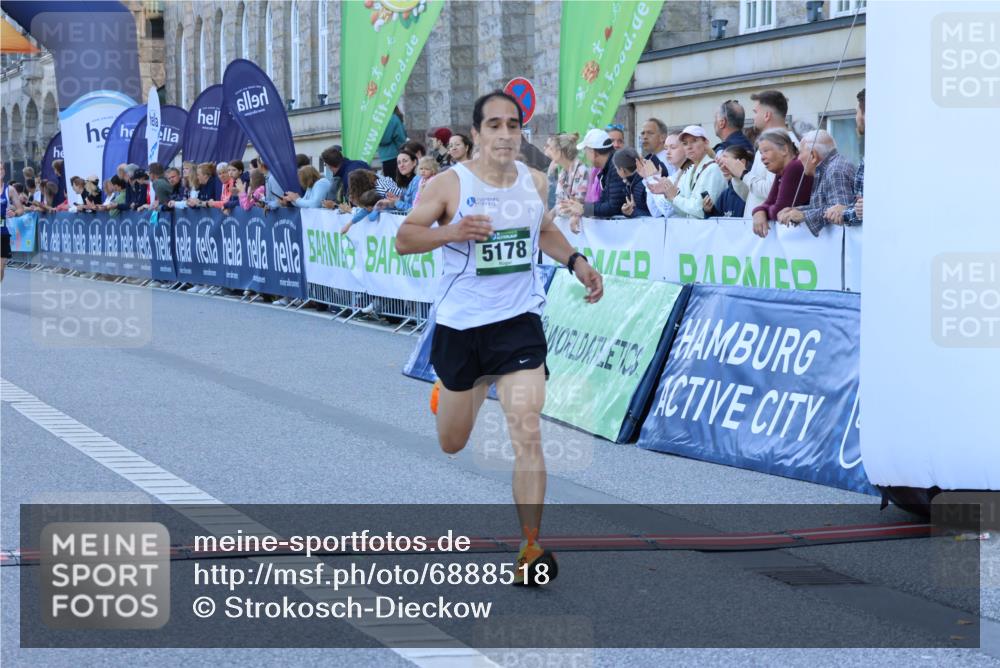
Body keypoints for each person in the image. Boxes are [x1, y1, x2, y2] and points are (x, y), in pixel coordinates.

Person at [395, 90, 603, 587]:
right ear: (477, 133)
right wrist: (452, 232)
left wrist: (576, 262)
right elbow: (405, 238)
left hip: (517, 323)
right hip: (462, 327)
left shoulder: (535, 181)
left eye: (513, 124)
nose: (506, 133)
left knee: (527, 430)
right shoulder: (450, 184)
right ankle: (449, 391)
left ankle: (530, 547)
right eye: (494, 125)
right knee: (452, 443)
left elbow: (542, 229)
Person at [721, 89, 798, 216]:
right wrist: (737, 176)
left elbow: (772, 191)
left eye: (756, 112)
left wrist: (743, 173)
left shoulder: (786, 145)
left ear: (767, 115)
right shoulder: (766, 144)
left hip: (771, 225)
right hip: (756, 224)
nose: (754, 117)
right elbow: (750, 195)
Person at [776, 130, 856, 236]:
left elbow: (838, 214)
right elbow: (824, 206)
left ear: (813, 155)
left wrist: (803, 215)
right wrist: (795, 211)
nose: (798, 158)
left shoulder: (835, 170)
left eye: (800, 152)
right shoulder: (830, 167)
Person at [646, 125, 725, 219]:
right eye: (685, 143)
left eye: (694, 141)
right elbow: (682, 212)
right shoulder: (689, 171)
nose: (689, 147)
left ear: (706, 143)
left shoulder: (713, 169)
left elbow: (700, 210)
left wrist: (674, 197)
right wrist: (668, 194)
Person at [751, 129, 813, 238]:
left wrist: (761, 211)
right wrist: (758, 211)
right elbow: (769, 202)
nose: (762, 157)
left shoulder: (794, 167)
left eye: (766, 151)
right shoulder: (782, 171)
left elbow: (779, 211)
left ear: (784, 150)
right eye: (761, 153)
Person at [558, 129, 626, 220]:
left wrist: (583, 208)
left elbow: (614, 207)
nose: (586, 156)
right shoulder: (608, 167)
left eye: (586, 151)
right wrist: (581, 206)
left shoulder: (615, 167)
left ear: (594, 153)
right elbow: (604, 203)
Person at [826, 88, 865, 227]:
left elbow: (862, 212)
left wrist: (844, 213)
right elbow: (860, 207)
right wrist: (847, 209)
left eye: (856, 112)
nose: (856, 118)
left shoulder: (836, 168)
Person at [544, 133, 589, 233]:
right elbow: (559, 204)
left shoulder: (581, 171)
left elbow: (577, 205)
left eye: (551, 148)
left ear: (560, 152)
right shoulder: (563, 173)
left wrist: (558, 210)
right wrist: (548, 218)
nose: (548, 152)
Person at [639, 133, 692, 219]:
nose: (668, 152)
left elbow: (669, 210)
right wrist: (651, 178)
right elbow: (656, 212)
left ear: (686, 148)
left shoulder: (690, 173)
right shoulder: (673, 177)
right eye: (666, 148)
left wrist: (652, 178)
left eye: (673, 147)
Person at [703, 145, 753, 218]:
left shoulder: (752, 189)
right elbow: (717, 221)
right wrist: (709, 211)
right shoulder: (725, 194)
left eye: (726, 163)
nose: (722, 168)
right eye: (720, 164)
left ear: (742, 162)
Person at [613, 148, 650, 218]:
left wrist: (632, 211)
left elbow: (655, 215)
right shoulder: (632, 183)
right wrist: (627, 211)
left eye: (616, 169)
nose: (616, 172)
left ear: (622, 170)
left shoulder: (642, 185)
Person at [384, 149, 420, 213]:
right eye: (399, 163)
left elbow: (415, 209)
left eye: (405, 161)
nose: (401, 165)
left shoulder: (418, 180)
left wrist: (397, 202)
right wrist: (394, 200)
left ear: (414, 162)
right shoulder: (403, 182)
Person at [378, 105, 407, 179]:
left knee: (391, 183)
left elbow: (384, 139)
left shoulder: (387, 118)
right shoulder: (394, 118)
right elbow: (401, 137)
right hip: (395, 154)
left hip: (388, 156)